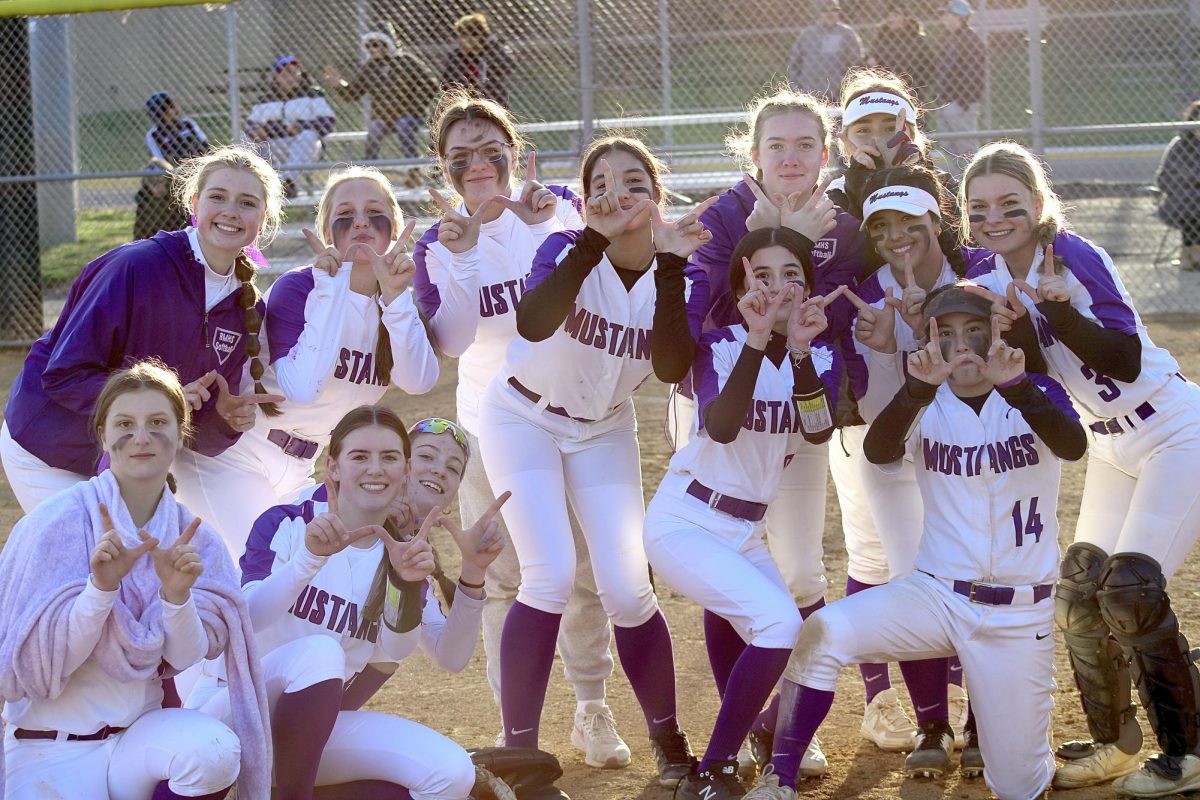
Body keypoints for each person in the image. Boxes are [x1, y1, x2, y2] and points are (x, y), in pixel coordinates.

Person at [748, 284, 1086, 800]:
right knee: (822, 632)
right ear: (930, 341)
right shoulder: (927, 400)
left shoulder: (1033, 388)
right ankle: (779, 781)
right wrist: (916, 389)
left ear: (999, 330)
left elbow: (1072, 444)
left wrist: (1016, 385)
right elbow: (879, 452)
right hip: (937, 595)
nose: (962, 344)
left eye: (975, 329)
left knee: (1019, 786)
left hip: (1020, 612)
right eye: (945, 333)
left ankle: (1027, 759)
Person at [963, 141, 1200, 797]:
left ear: (1038, 205)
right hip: (1109, 442)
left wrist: (1059, 309)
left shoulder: (1073, 254)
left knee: (1130, 589)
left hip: (1172, 429)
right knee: (1077, 589)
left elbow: (1121, 360)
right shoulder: (988, 281)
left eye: (1010, 203)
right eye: (979, 208)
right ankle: (1114, 744)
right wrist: (1016, 343)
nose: (995, 217)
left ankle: (1188, 755)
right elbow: (1050, 369)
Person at [477, 135, 711, 785]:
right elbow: (532, 321)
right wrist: (591, 239)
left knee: (629, 587)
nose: (617, 188)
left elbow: (669, 364)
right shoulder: (564, 246)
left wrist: (667, 266)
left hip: (605, 427)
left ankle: (668, 742)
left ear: (655, 195)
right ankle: (519, 751)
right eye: (600, 181)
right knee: (548, 574)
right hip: (522, 417)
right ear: (585, 199)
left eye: (634, 178)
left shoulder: (678, 265)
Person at [413, 91, 631, 769]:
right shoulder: (438, 242)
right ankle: (517, 729)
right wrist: (469, 252)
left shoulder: (563, 204)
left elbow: (611, 279)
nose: (478, 165)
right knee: (507, 576)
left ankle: (592, 707)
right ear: (442, 171)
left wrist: (541, 230)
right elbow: (451, 344)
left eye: (491, 151)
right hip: (491, 423)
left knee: (588, 569)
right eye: (460, 158)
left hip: (577, 413)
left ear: (517, 152)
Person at [675, 85, 859, 779]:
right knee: (730, 563)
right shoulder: (722, 215)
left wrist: (809, 253)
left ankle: (788, 723)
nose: (790, 157)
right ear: (753, 154)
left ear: (825, 153)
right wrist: (780, 252)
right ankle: (746, 717)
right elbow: (702, 319)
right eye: (775, 145)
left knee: (803, 570)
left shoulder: (841, 224)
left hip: (797, 410)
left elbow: (832, 320)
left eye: (805, 144)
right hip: (726, 398)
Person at [186, 405, 502, 799]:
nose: (438, 470)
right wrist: (310, 558)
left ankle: (293, 782)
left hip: (309, 730)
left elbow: (420, 653)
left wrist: (464, 574)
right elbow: (247, 617)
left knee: (451, 774)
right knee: (321, 652)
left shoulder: (406, 561)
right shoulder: (294, 520)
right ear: (333, 467)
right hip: (234, 705)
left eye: (388, 458)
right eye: (361, 457)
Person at [0, 360, 271, 800]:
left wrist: (176, 597)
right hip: (49, 748)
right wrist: (101, 588)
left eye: (158, 422)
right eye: (125, 423)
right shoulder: (55, 523)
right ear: (103, 433)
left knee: (214, 752)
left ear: (180, 433)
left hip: (136, 739)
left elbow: (183, 658)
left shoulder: (194, 538)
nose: (141, 437)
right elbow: (37, 667)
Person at [645, 227, 841, 800]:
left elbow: (818, 428)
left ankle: (753, 738)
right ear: (743, 285)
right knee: (779, 623)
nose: (779, 288)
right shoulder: (722, 343)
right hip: (687, 519)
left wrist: (799, 351)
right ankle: (713, 769)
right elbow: (725, 427)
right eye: (763, 276)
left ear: (808, 288)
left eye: (792, 276)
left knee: (791, 633)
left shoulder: (820, 351)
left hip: (745, 531)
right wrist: (757, 340)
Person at [1, 145, 286, 513]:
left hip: (131, 458)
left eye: (247, 203)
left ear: (262, 221)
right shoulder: (136, 267)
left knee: (140, 563)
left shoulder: (245, 307)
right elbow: (63, 375)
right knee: (92, 558)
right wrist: (160, 400)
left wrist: (224, 419)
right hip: (53, 447)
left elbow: (197, 434)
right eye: (218, 197)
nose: (231, 211)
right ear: (195, 204)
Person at [172, 165, 439, 559]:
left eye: (375, 211)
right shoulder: (301, 287)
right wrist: (332, 292)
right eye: (345, 214)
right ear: (328, 234)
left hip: (303, 465)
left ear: (396, 227)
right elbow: (301, 388)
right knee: (263, 569)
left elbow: (418, 380)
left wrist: (398, 299)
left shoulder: (394, 301)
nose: (361, 221)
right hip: (236, 454)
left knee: (305, 578)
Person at [323, 31, 439, 181]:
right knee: (375, 128)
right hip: (384, 117)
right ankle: (368, 172)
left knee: (404, 125)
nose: (371, 49)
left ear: (387, 45)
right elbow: (353, 93)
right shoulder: (371, 67)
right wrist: (338, 84)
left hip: (410, 115)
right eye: (368, 46)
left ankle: (413, 169)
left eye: (375, 45)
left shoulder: (406, 61)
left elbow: (431, 84)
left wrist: (414, 104)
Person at [244, 55, 336, 198]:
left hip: (303, 147)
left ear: (300, 75)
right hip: (273, 145)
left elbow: (328, 122)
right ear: (276, 77)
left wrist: (303, 125)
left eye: (293, 72)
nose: (289, 77)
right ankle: (249, 183)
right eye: (284, 73)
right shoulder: (265, 100)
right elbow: (249, 124)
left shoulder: (312, 95)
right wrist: (255, 129)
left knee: (308, 135)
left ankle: (286, 182)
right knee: (243, 138)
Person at [935, 0, 985, 169]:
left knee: (966, 147)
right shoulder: (949, 39)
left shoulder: (971, 40)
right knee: (947, 145)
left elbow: (975, 74)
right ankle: (960, 182)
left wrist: (964, 101)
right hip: (946, 101)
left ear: (959, 17)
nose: (943, 19)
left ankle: (974, 182)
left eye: (947, 15)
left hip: (961, 102)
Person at [786, 0, 864, 103]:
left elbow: (856, 63)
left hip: (837, 94)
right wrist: (796, 87)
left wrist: (846, 87)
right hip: (808, 93)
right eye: (825, 10)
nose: (830, 13)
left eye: (834, 10)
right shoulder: (807, 35)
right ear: (818, 13)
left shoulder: (847, 34)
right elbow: (794, 63)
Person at [1154, 99, 1200, 270]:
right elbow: (1163, 178)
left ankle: (1188, 254)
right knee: (1191, 202)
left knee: (1193, 203)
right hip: (1179, 200)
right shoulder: (1179, 145)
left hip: (1187, 200)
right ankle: (1194, 253)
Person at [441, 13, 515, 106]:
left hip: (493, 102)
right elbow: (449, 84)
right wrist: (463, 56)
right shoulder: (456, 57)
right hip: (465, 104)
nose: (469, 38)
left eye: (474, 33)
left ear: (482, 35)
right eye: (464, 34)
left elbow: (509, 65)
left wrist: (491, 45)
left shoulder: (492, 52)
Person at [868, 3, 933, 104]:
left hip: (912, 89)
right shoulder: (882, 38)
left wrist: (918, 86)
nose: (891, 19)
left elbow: (928, 66)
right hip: (887, 88)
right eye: (889, 16)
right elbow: (873, 59)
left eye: (896, 15)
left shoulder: (918, 39)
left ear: (906, 17)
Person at [144, 91, 211, 166]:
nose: (175, 109)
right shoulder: (153, 134)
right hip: (176, 169)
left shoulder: (187, 123)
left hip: (200, 163)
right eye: (170, 107)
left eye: (172, 106)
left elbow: (205, 144)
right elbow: (159, 159)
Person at [134, 158, 189, 241]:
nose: (156, 186)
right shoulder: (144, 200)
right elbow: (139, 233)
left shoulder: (178, 200)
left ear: (168, 180)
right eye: (152, 182)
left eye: (160, 181)